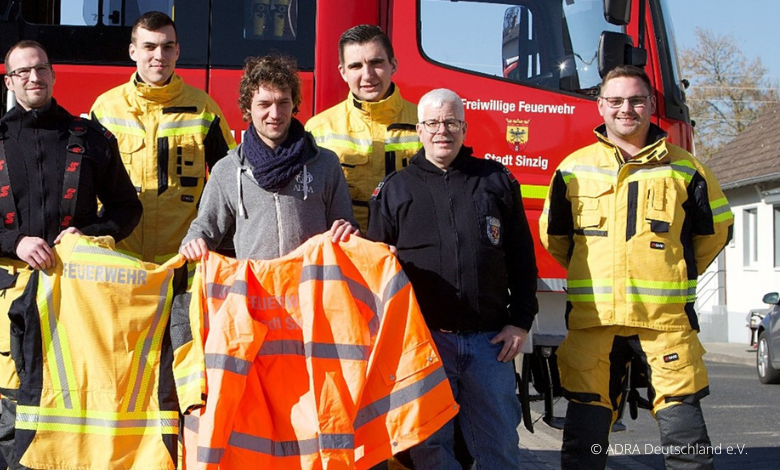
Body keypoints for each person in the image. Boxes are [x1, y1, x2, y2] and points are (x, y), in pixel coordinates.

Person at [0, 40, 141, 470]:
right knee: (18, 406)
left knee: (80, 404)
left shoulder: (92, 140)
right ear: (10, 81)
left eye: (40, 70)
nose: (33, 78)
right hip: (15, 295)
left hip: (82, 298)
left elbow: (128, 210)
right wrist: (13, 243)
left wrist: (86, 235)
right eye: (22, 72)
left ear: (53, 75)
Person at [540, 65, 732, 470]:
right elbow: (556, 239)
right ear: (601, 106)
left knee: (688, 449)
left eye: (636, 100)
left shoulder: (687, 169)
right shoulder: (572, 169)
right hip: (595, 326)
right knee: (583, 452)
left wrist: (672, 270)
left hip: (665, 326)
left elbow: (714, 234)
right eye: (615, 101)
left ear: (650, 105)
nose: (626, 109)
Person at [367, 88, 538, 470]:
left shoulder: (496, 180)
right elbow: (375, 272)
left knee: (500, 447)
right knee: (430, 450)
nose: (441, 130)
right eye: (432, 123)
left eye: (450, 122)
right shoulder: (395, 189)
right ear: (419, 129)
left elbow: (523, 260)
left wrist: (521, 321)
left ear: (464, 127)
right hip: (424, 343)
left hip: (490, 344)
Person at [178, 54, 357, 261]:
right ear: (248, 107)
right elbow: (203, 230)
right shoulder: (227, 170)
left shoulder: (325, 163)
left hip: (310, 289)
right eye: (264, 104)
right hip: (256, 291)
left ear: (294, 104)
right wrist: (193, 242)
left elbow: (346, 226)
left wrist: (348, 230)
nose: (275, 113)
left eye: (283, 102)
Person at [91, 11, 235, 263]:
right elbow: (87, 183)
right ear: (133, 51)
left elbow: (230, 181)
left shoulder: (204, 108)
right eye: (150, 46)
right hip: (120, 261)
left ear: (177, 52)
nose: (159, 56)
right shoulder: (105, 108)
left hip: (182, 263)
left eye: (167, 47)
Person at [305, 24, 420, 229]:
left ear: (393, 65)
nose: (367, 75)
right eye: (356, 66)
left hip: (407, 249)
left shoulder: (425, 123)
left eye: (376, 62)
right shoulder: (317, 129)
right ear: (343, 72)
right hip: (346, 250)